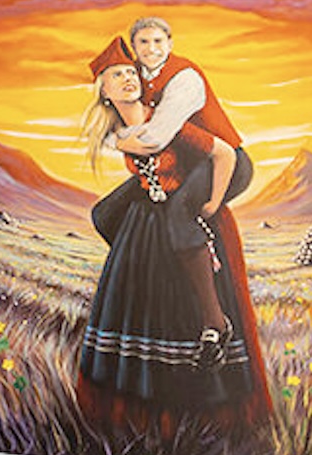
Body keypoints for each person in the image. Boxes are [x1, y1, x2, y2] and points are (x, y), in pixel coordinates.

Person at [76, 35, 271, 427]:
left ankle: (214, 328)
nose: (128, 79)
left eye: (131, 72)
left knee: (175, 240)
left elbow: (222, 153)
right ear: (105, 93)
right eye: (116, 75)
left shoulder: (167, 121)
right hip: (148, 214)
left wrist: (211, 203)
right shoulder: (118, 132)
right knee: (104, 216)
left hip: (180, 208)